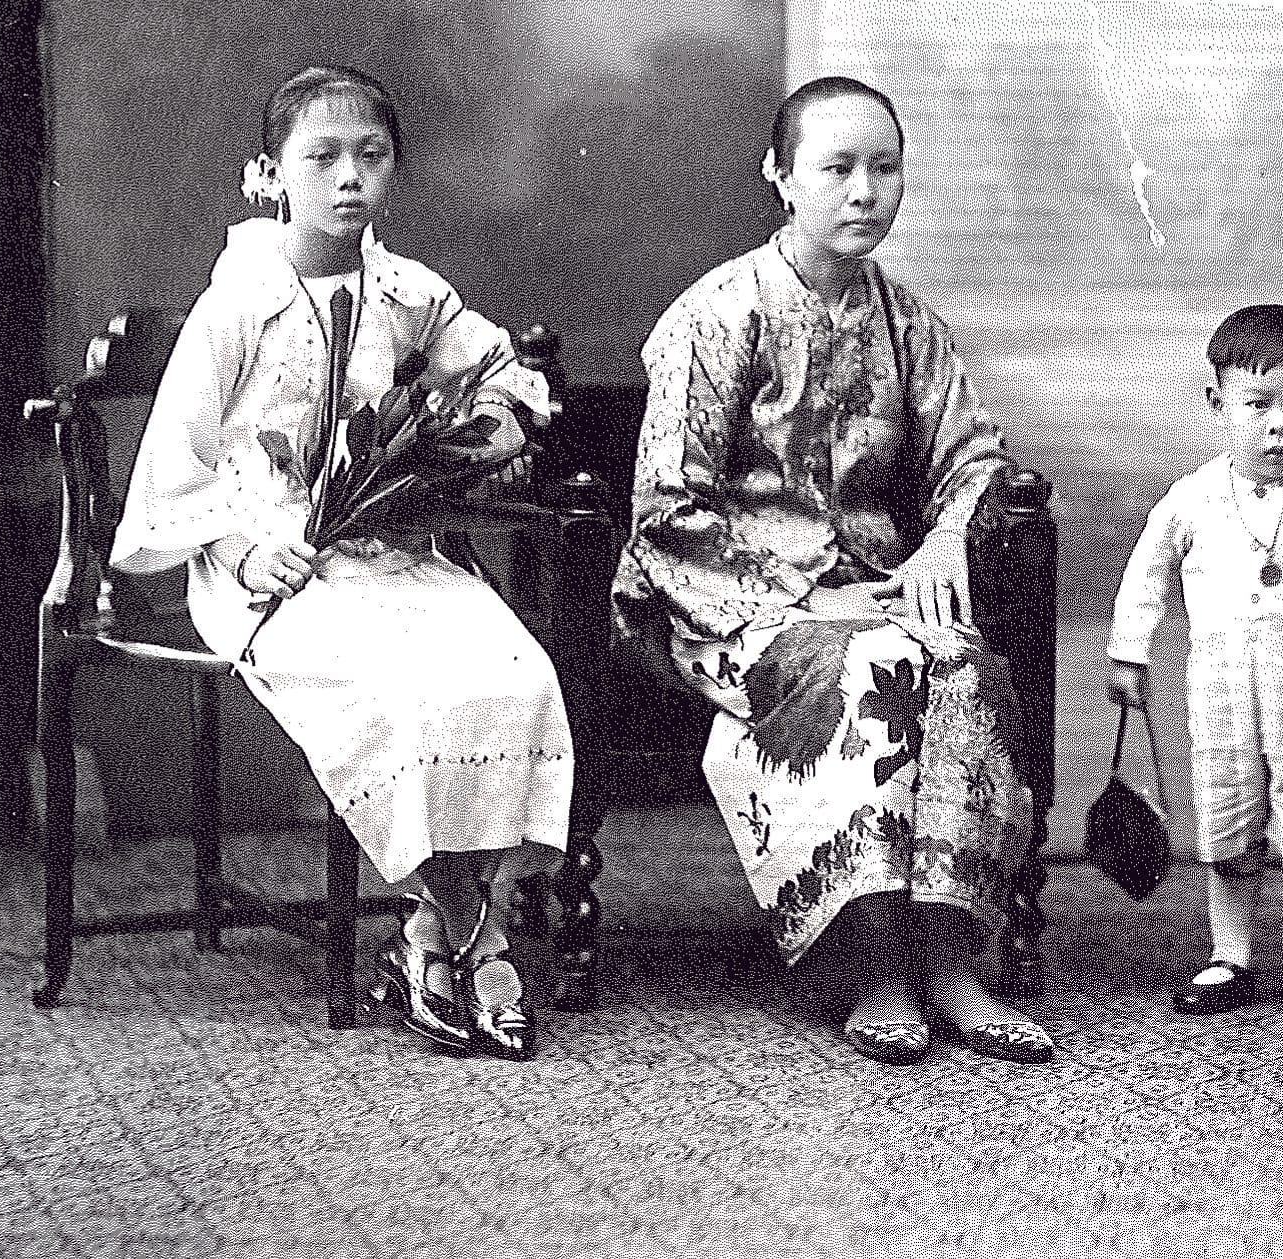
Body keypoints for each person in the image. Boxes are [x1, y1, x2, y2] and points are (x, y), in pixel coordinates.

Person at [109, 66, 571, 1060]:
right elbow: (174, 468)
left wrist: (496, 418)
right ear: (267, 173)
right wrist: (243, 546)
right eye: (321, 157)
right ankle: (482, 940)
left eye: (371, 155)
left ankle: (425, 938)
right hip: (261, 565)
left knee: (514, 671)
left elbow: (503, 372)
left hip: (384, 551)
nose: (349, 177)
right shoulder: (240, 303)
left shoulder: (406, 292)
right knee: (395, 693)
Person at [614, 76, 1049, 1066]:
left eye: (883, 168)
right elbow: (666, 508)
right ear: (780, 176)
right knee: (872, 667)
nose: (863, 191)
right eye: (837, 167)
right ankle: (875, 962)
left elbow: (975, 459)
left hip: (875, 595)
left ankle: (950, 960)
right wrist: (808, 596)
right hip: (718, 605)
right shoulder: (717, 314)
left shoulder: (906, 323)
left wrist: (942, 541)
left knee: (962, 664)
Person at [1107, 305, 1283, 1026]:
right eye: (1257, 405)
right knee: (1226, 807)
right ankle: (1231, 954)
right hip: (1220, 684)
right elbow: (1147, 574)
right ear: (1217, 403)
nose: (1280, 426)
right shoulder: (1192, 498)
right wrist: (1130, 649)